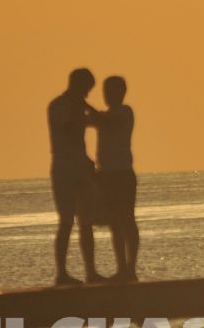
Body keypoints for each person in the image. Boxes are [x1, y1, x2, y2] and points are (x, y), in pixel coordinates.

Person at [47, 67, 102, 286]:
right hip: (63, 169)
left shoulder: (79, 107)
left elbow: (97, 119)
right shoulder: (58, 105)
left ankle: (91, 271)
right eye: (86, 89)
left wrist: (86, 108)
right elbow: (68, 129)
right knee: (66, 221)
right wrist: (81, 110)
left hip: (80, 167)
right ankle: (61, 272)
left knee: (86, 221)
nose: (87, 94)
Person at [87, 75, 139, 282]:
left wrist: (83, 104)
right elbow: (89, 120)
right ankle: (121, 268)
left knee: (127, 220)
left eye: (111, 91)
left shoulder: (125, 112)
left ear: (121, 92)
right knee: (114, 223)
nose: (107, 95)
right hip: (106, 176)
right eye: (105, 92)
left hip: (123, 174)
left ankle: (131, 267)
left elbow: (104, 120)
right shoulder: (104, 116)